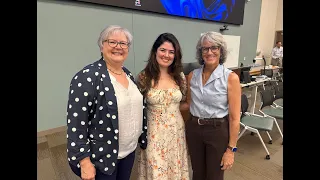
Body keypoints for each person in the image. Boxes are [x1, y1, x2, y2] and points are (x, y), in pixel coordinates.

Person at [66, 25, 147, 180]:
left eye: (123, 43)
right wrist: (84, 161)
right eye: (112, 42)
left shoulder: (128, 74)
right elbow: (76, 124)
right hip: (102, 157)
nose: (118, 47)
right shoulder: (87, 77)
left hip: (128, 152)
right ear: (101, 46)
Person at [184, 31, 241, 180]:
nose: (209, 52)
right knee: (197, 173)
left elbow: (235, 118)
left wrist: (231, 150)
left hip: (217, 131)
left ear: (221, 50)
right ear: (200, 52)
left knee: (214, 175)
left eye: (214, 48)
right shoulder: (192, 76)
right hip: (194, 130)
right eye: (205, 48)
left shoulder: (230, 78)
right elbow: (189, 104)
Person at [136, 33, 190, 180]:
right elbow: (137, 107)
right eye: (163, 50)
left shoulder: (179, 76)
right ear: (155, 51)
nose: (166, 55)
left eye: (171, 52)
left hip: (176, 133)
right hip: (154, 134)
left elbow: (184, 102)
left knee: (174, 169)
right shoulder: (143, 77)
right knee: (156, 172)